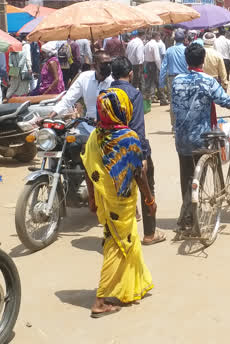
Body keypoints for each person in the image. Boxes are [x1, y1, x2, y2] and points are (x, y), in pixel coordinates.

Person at [81, 88, 155, 318]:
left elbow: (88, 168)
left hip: (105, 199)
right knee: (116, 245)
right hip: (121, 201)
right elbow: (138, 174)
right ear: (121, 110)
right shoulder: (128, 137)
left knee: (127, 241)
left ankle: (133, 285)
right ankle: (100, 300)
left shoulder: (95, 135)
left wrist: (92, 200)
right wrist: (149, 198)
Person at [170, 43, 230, 232]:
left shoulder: (176, 80)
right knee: (210, 158)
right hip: (202, 138)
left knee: (186, 175)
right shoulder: (208, 81)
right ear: (203, 61)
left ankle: (186, 213)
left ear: (186, 60)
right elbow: (227, 101)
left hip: (181, 138)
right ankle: (214, 194)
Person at [111, 57, 165, 246]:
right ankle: (150, 234)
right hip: (131, 149)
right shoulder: (134, 94)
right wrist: (142, 156)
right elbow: (137, 128)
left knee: (117, 192)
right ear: (131, 74)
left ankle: (120, 235)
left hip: (110, 151)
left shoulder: (104, 93)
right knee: (147, 187)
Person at [49, 51, 114, 135]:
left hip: (108, 128)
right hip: (87, 126)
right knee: (68, 143)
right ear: (94, 65)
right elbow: (68, 99)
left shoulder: (114, 81)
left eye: (110, 63)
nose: (108, 66)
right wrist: (50, 116)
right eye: (104, 64)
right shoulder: (84, 77)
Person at [159, 30, 189, 126]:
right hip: (185, 78)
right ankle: (184, 123)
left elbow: (163, 67)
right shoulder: (186, 50)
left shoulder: (169, 50)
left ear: (174, 39)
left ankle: (174, 125)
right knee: (185, 100)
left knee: (173, 102)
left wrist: (161, 83)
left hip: (172, 79)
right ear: (184, 39)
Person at [142, 32, 165, 104]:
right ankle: (163, 99)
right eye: (159, 35)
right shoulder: (154, 45)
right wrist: (160, 68)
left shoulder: (147, 44)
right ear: (156, 36)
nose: (159, 37)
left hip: (147, 64)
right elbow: (157, 58)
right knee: (158, 81)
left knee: (148, 82)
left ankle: (146, 99)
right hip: (153, 65)